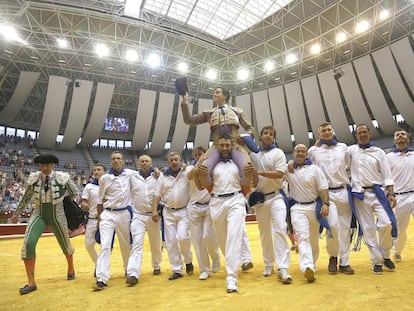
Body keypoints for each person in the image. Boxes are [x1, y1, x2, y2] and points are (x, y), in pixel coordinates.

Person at [196, 134, 257, 293]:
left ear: (231, 147)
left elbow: (252, 182)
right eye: (221, 145)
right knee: (223, 240)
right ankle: (232, 260)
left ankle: (231, 277)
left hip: (236, 199)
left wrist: (252, 173)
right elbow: (200, 186)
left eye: (227, 145)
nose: (224, 148)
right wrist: (198, 171)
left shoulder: (239, 162)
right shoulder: (211, 164)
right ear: (217, 147)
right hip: (216, 201)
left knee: (234, 236)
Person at [11, 153, 79, 294]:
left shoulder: (62, 178)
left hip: (57, 214)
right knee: (28, 243)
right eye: (42, 165)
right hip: (39, 214)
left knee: (65, 243)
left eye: (47, 165)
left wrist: (63, 204)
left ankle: (71, 268)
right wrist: (17, 213)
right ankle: (31, 282)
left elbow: (74, 193)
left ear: (52, 165)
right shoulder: (34, 179)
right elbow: (26, 197)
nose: (44, 168)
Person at [181, 87, 255, 194]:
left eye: (217, 92)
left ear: (225, 96)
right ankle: (213, 194)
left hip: (235, 144)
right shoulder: (209, 113)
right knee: (203, 170)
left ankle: (243, 196)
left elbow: (250, 128)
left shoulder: (237, 111)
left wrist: (246, 137)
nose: (214, 94)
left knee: (247, 168)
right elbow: (188, 120)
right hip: (216, 145)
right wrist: (184, 101)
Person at [349, 124, 397, 274]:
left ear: (370, 133)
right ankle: (376, 261)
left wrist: (391, 194)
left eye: (364, 132)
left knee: (386, 224)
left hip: (377, 192)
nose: (362, 135)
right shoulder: (350, 151)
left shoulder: (379, 152)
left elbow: (387, 175)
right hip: (359, 195)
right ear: (356, 136)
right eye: (359, 133)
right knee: (369, 228)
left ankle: (385, 254)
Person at [307, 122, 354, 275]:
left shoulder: (343, 147)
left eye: (328, 130)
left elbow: (347, 165)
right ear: (319, 134)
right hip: (326, 194)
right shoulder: (313, 151)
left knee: (345, 229)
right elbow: (307, 167)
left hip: (343, 190)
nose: (326, 132)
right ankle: (333, 256)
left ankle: (344, 262)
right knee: (332, 225)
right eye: (323, 131)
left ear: (333, 131)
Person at [249, 125, 292, 283]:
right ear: (260, 136)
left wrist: (259, 172)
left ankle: (283, 267)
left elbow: (280, 173)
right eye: (265, 133)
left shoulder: (278, 153)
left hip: (276, 197)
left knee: (280, 228)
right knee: (264, 232)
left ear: (274, 138)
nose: (268, 136)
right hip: (260, 199)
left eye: (271, 134)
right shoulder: (253, 154)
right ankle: (268, 263)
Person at [284, 144, 329, 283]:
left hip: (314, 206)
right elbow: (277, 173)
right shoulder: (288, 169)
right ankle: (306, 266)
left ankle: (312, 265)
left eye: (303, 151)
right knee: (303, 237)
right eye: (298, 151)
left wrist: (326, 204)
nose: (301, 153)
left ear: (307, 155)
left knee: (314, 239)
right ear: (293, 153)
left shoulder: (315, 170)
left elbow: (323, 188)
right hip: (297, 208)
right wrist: (290, 163)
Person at [95, 151, 135, 290]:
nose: (116, 161)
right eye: (114, 159)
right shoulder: (104, 179)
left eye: (119, 159)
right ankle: (102, 277)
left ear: (123, 161)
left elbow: (143, 174)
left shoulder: (130, 174)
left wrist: (156, 172)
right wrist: (99, 219)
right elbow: (100, 200)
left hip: (124, 213)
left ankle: (129, 271)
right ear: (111, 161)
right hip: (108, 213)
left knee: (126, 244)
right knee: (105, 245)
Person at [151, 152, 193, 281]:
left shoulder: (187, 173)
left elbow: (195, 167)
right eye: (171, 160)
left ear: (180, 161)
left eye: (176, 160)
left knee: (183, 237)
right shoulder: (162, 177)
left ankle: (188, 261)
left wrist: (188, 166)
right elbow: (157, 195)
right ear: (168, 163)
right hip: (168, 212)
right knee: (171, 241)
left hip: (184, 210)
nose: (174, 162)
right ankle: (177, 269)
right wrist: (154, 210)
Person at [126, 155, 162, 286]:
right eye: (142, 161)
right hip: (138, 215)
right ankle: (133, 273)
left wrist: (158, 210)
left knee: (156, 243)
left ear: (151, 163)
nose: (144, 163)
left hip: (154, 215)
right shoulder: (132, 176)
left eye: (147, 161)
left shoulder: (159, 176)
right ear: (138, 163)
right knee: (137, 244)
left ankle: (157, 265)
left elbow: (162, 193)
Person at [187, 147, 220, 280]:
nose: (198, 156)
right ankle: (204, 268)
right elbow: (189, 176)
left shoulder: (214, 168)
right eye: (195, 155)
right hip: (194, 206)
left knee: (208, 235)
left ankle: (215, 258)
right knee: (197, 240)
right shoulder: (191, 168)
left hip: (209, 205)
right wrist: (198, 164)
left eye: (200, 154)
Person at [386, 129, 414, 262]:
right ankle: (397, 251)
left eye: (403, 134)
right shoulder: (388, 157)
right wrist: (388, 194)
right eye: (397, 134)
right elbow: (385, 178)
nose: (400, 136)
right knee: (400, 229)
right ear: (394, 140)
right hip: (398, 197)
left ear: (407, 138)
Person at [81, 164, 107, 274]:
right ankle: (98, 264)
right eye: (94, 170)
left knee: (105, 246)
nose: (96, 172)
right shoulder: (89, 187)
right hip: (92, 218)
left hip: (106, 219)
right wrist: (84, 205)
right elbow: (84, 202)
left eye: (99, 169)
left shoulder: (109, 185)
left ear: (104, 172)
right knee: (89, 245)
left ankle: (102, 269)